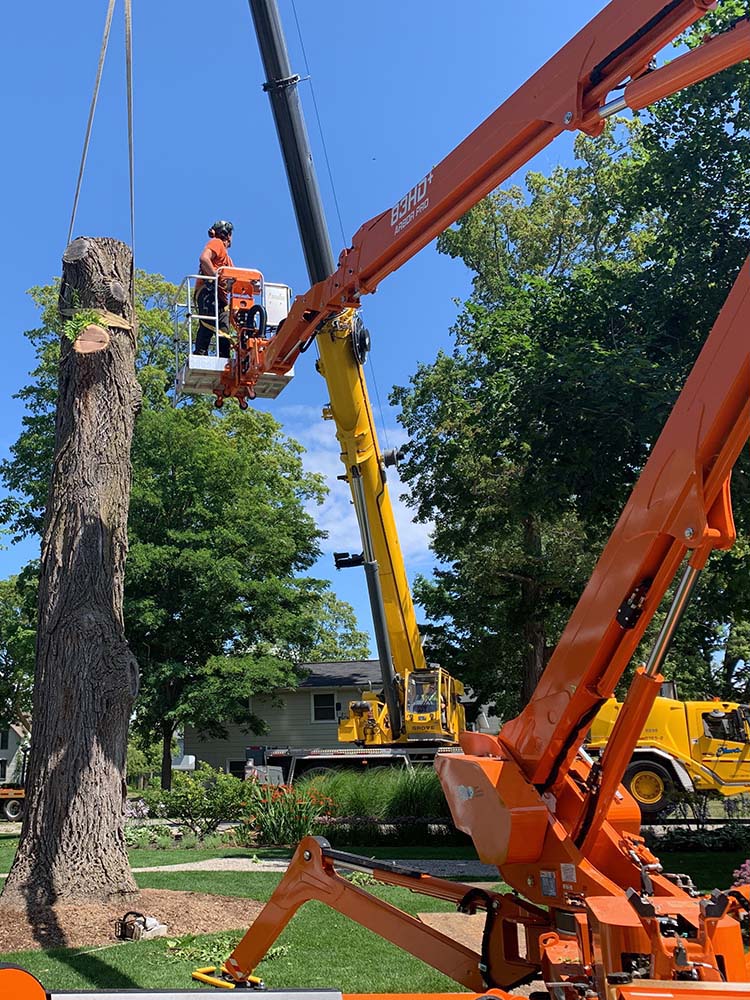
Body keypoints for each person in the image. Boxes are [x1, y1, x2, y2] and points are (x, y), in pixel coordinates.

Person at [193, 220, 234, 357]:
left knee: (224, 332)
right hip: (209, 291)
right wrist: (216, 277)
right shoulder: (217, 243)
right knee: (208, 323)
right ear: (227, 235)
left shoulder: (228, 261)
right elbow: (204, 259)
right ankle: (200, 354)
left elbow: (233, 282)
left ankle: (225, 360)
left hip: (221, 299)